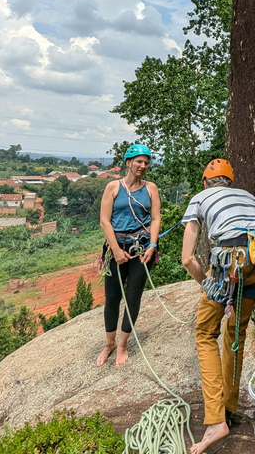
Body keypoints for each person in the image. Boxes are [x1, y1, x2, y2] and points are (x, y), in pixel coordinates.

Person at [181, 158, 255, 454]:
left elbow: (188, 259)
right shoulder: (249, 197)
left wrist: (206, 284)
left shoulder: (199, 198)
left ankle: (217, 420)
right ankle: (229, 406)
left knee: (205, 333)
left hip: (228, 261)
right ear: (230, 182)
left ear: (205, 182)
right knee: (235, 332)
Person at [96, 144, 161, 367]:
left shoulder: (151, 188)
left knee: (133, 296)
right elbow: (105, 220)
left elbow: (155, 218)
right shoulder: (113, 187)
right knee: (112, 297)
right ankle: (109, 343)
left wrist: (152, 245)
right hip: (117, 246)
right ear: (128, 163)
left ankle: (122, 344)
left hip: (142, 248)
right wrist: (114, 249)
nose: (143, 166)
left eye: (146, 162)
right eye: (138, 162)